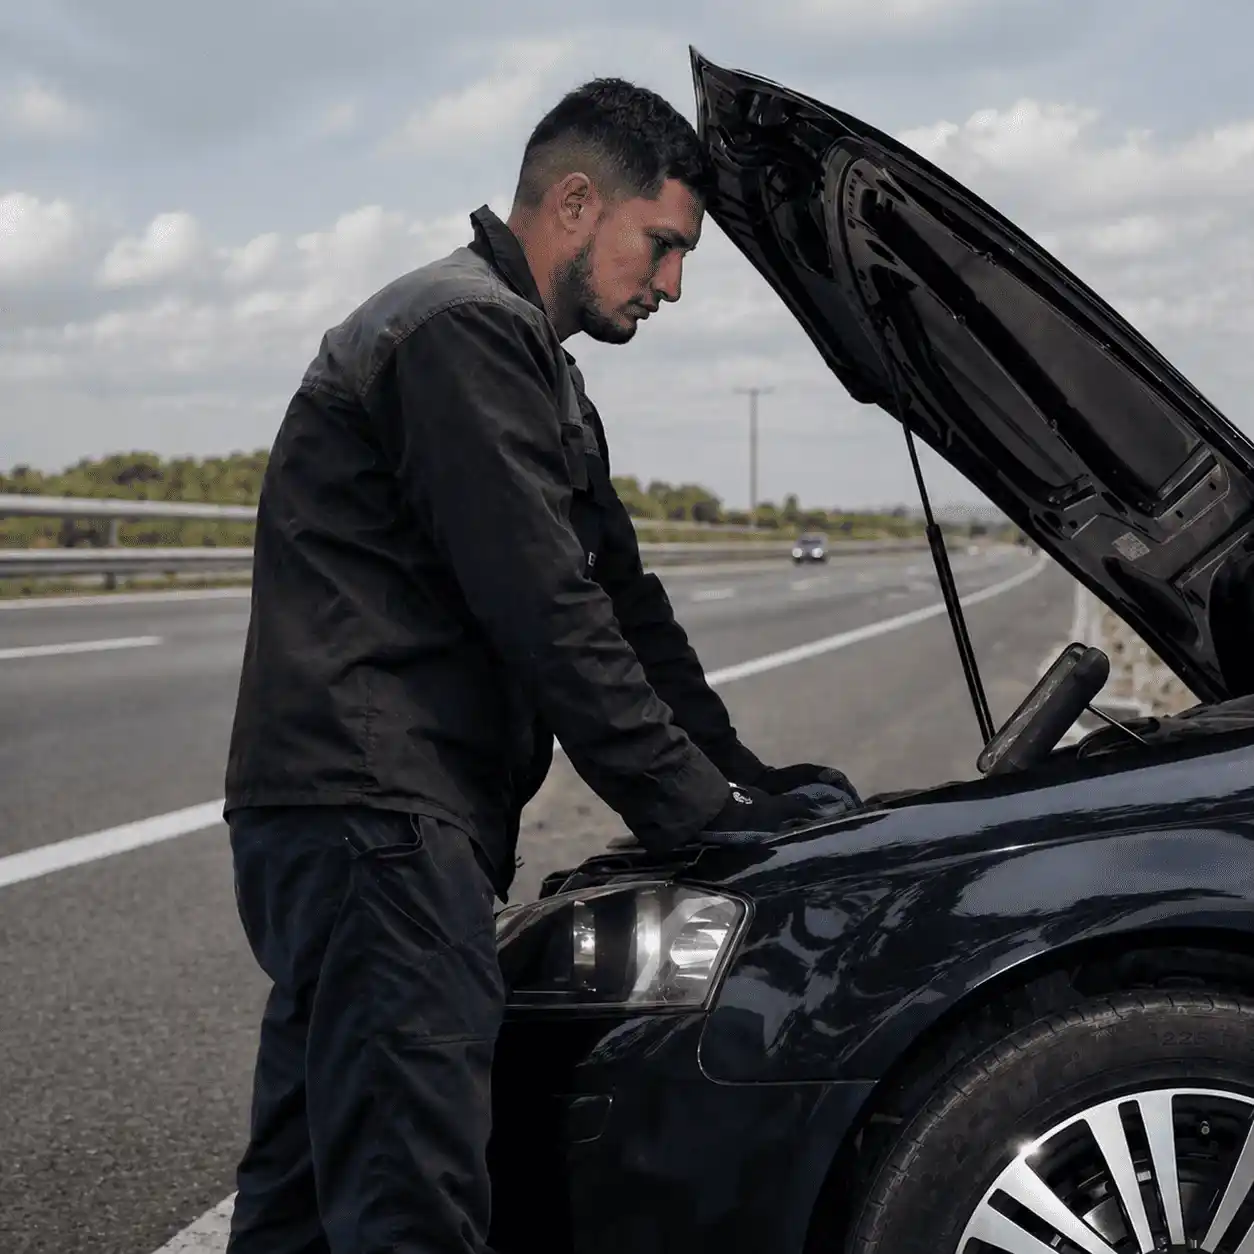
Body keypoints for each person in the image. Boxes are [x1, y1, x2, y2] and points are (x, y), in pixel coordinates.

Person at [221, 76, 860, 1254]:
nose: (670, 285)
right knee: (413, 1204)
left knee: (308, 1199)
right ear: (575, 202)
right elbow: (545, 610)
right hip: (374, 819)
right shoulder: (460, 331)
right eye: (662, 247)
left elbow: (627, 609)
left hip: (366, 820)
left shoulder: (534, 364)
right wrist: (693, 814)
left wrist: (747, 786)